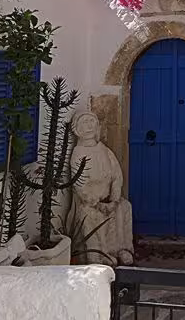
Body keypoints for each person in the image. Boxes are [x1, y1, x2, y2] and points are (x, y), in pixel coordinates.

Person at [68, 111, 134, 265]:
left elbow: (117, 176)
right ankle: (100, 254)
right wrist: (96, 203)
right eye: (84, 122)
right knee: (91, 216)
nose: (89, 126)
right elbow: (80, 185)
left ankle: (121, 249)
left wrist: (114, 200)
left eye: (92, 121)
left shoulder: (105, 150)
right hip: (90, 202)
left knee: (124, 207)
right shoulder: (78, 154)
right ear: (77, 129)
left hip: (108, 200)